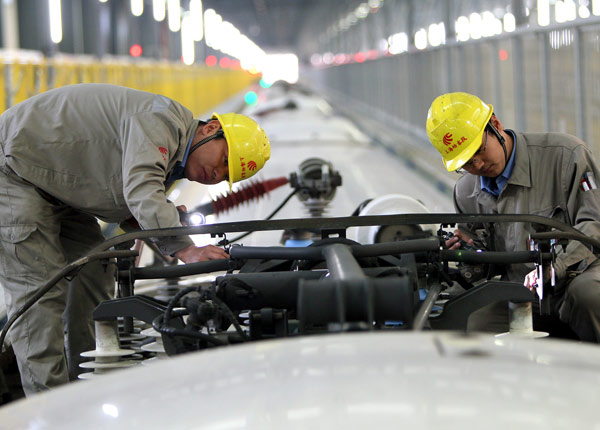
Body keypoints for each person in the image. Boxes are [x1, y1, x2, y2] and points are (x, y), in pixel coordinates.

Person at [0, 83, 271, 395]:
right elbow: (141, 190)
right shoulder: (163, 122)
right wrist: (185, 248)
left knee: (95, 269)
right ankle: (46, 410)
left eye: (226, 176)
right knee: (40, 293)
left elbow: (120, 190)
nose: (217, 174)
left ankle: (81, 386)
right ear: (211, 129)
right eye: (224, 160)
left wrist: (154, 222)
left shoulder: (173, 154)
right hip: (14, 171)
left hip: (54, 186)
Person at [426, 91, 600, 342]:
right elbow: (484, 263)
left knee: (589, 297)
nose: (477, 166)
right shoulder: (466, 191)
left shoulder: (566, 156)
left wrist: (557, 267)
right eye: (466, 163)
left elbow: (594, 225)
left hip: (577, 278)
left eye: (479, 150)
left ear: (495, 125)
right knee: (473, 324)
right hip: (519, 291)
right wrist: (469, 254)